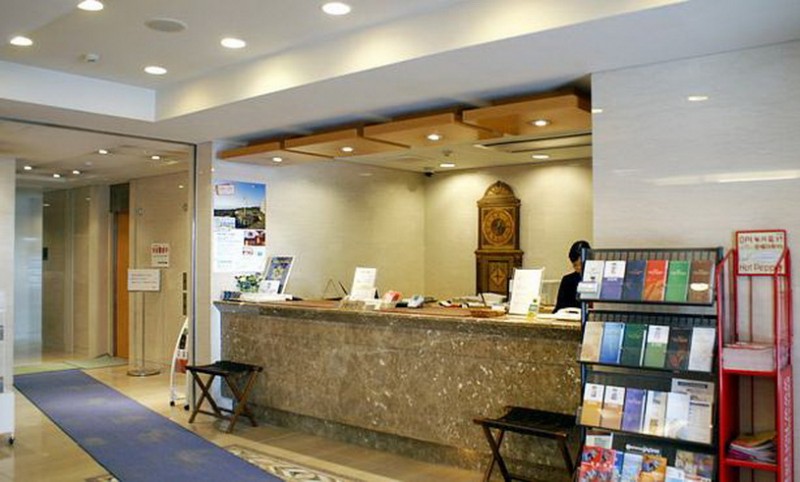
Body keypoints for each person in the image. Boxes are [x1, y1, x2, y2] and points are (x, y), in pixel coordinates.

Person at [553, 240, 592, 313]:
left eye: (581, 264)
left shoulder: (597, 280)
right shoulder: (567, 280)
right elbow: (559, 308)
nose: (578, 268)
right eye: (575, 265)